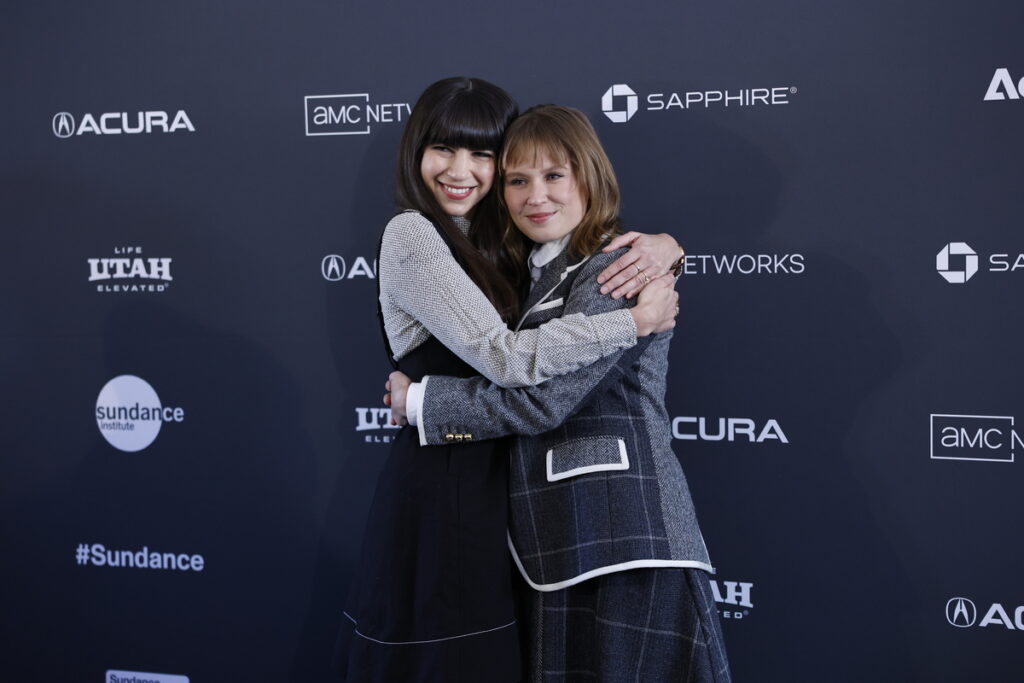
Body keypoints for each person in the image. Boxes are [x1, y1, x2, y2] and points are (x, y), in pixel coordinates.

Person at [335, 78, 685, 682]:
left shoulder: (505, 243)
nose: (460, 170)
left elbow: (590, 248)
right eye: (443, 148)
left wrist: (666, 248)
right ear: (415, 150)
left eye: (482, 155)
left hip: (509, 495)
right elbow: (509, 359)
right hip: (446, 484)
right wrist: (633, 321)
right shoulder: (413, 233)